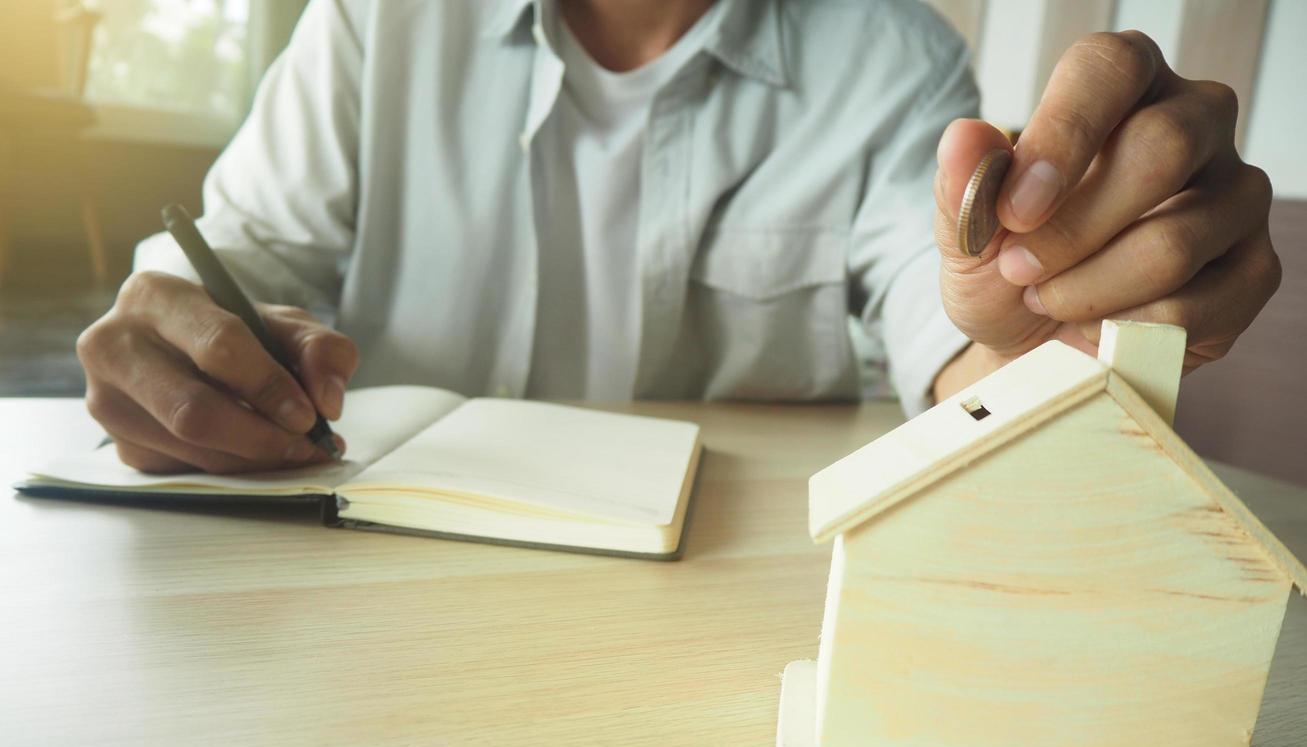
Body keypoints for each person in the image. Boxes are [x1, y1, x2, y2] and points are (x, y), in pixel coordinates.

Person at [75, 0, 1280, 475]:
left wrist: (1050, 315)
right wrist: (177, 331)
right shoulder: (377, 19)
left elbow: (960, 336)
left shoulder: (891, 61)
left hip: (710, 632)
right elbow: (227, 262)